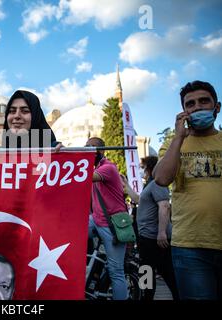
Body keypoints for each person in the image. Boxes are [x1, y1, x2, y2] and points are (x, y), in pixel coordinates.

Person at [154, 80, 221, 300]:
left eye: (204, 101)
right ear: (184, 112)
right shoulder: (173, 144)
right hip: (190, 245)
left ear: (217, 107)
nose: (197, 107)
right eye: (190, 104)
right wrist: (179, 138)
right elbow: (162, 178)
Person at [122, 156, 179, 300]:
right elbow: (139, 200)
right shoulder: (151, 184)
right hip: (149, 238)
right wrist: (127, 185)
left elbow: (164, 206)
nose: (142, 170)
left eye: (143, 166)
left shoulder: (158, 183)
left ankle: (146, 297)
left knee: (152, 271)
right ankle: (147, 296)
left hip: (154, 239)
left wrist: (161, 233)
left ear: (149, 167)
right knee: (150, 270)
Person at [86, 137, 128, 300]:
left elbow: (85, 177)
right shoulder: (96, 167)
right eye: (85, 147)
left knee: (116, 271)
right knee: (69, 238)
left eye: (92, 148)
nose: (88, 150)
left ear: (101, 151)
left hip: (112, 225)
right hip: (96, 220)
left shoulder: (108, 168)